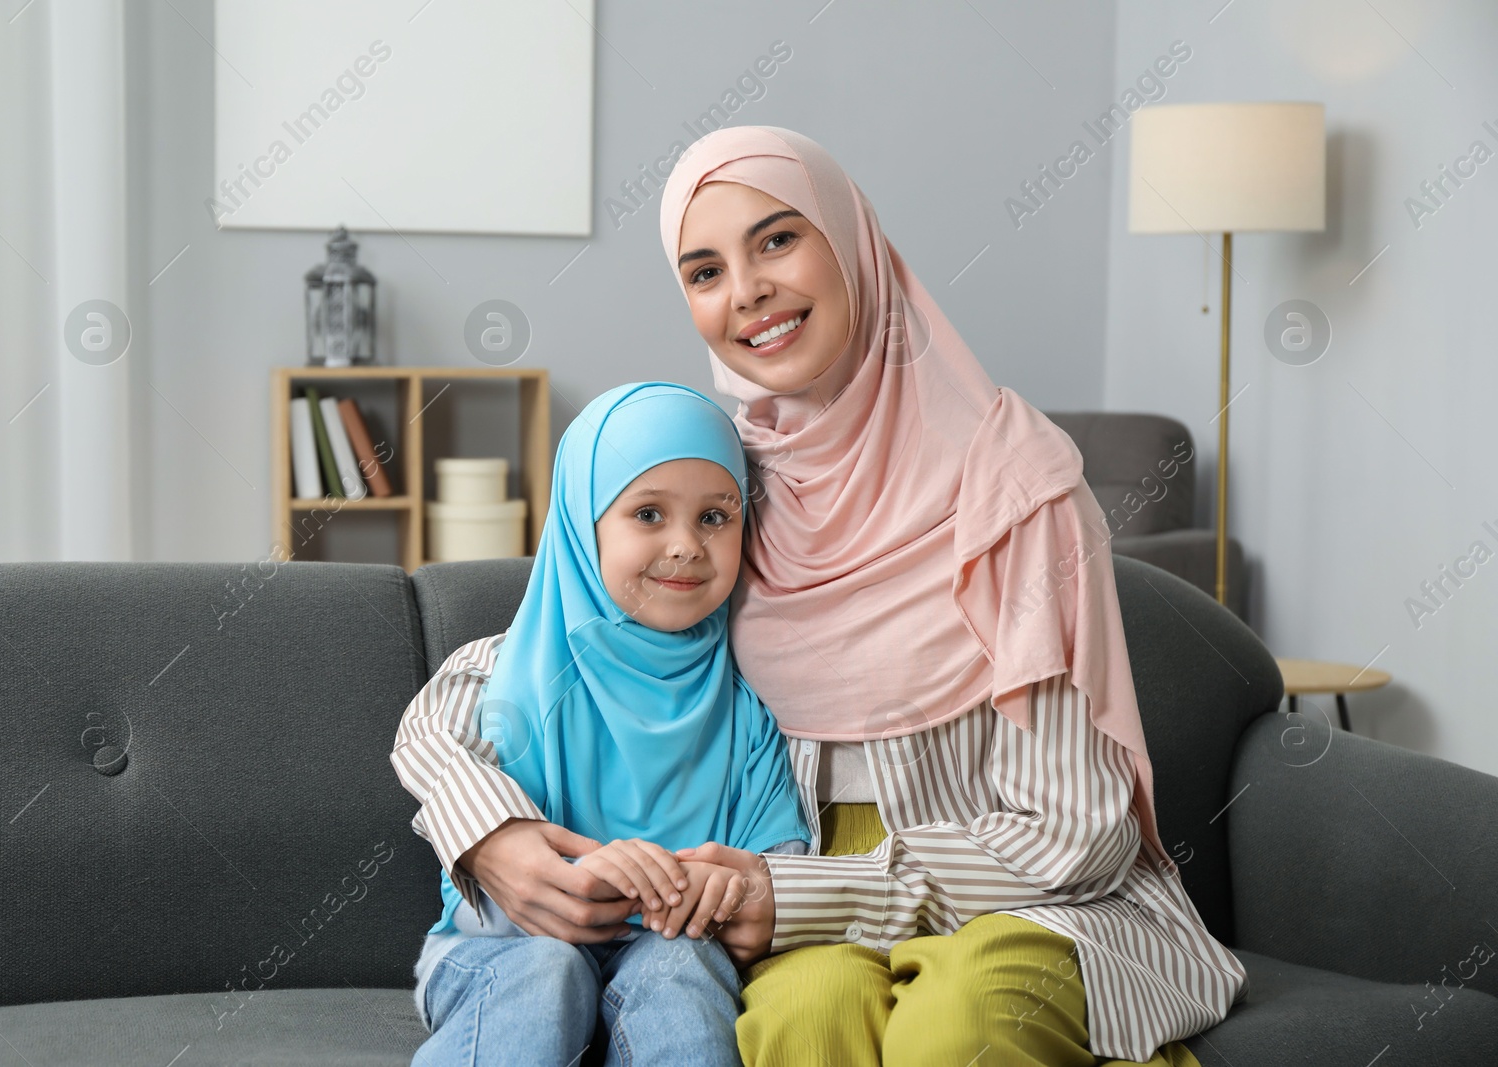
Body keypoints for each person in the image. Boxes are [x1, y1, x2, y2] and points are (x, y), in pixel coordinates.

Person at [650, 125, 1249, 1065]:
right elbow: (549, 649)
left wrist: (809, 894)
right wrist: (494, 837)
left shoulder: (1015, 485)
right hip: (803, 889)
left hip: (1038, 896)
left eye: (777, 239)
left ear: (853, 243)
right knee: (803, 1020)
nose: (747, 291)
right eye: (703, 270)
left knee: (960, 1026)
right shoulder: (721, 492)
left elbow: (1079, 833)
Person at [390, 381, 811, 1067]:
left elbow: (777, 861)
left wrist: (716, 888)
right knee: (546, 970)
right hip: (497, 945)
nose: (685, 545)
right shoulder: (504, 668)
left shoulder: (747, 705)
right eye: (648, 513)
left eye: (715, 517)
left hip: (672, 943)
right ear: (582, 526)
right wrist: (508, 836)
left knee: (679, 970)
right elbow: (427, 740)